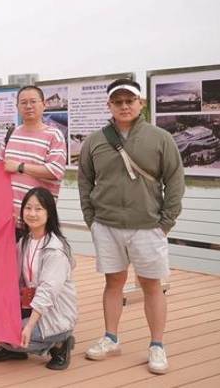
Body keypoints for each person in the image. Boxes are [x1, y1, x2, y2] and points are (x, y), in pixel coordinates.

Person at [78, 78, 184, 375]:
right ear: (109, 105)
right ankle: (111, 338)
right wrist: (91, 219)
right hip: (106, 224)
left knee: (152, 285)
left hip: (148, 225)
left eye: (129, 101)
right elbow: (85, 181)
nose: (124, 106)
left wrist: (166, 222)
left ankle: (157, 345)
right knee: (113, 282)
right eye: (118, 101)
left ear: (141, 103)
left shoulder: (160, 138)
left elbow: (175, 180)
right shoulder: (95, 141)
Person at [0, 187, 77, 370]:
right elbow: (11, 277)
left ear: (49, 213)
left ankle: (60, 343)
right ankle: (15, 348)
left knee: (15, 335)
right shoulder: (24, 241)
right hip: (29, 304)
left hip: (53, 314)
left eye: (38, 209)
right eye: (28, 208)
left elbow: (47, 292)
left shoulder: (55, 250)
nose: (32, 213)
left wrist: (28, 326)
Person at [0, 86, 67, 232]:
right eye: (23, 102)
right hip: (9, 221)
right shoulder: (11, 134)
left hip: (37, 222)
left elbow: (55, 171)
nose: (28, 106)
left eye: (33, 101)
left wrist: (20, 167)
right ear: (17, 107)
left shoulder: (54, 135)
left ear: (44, 104)